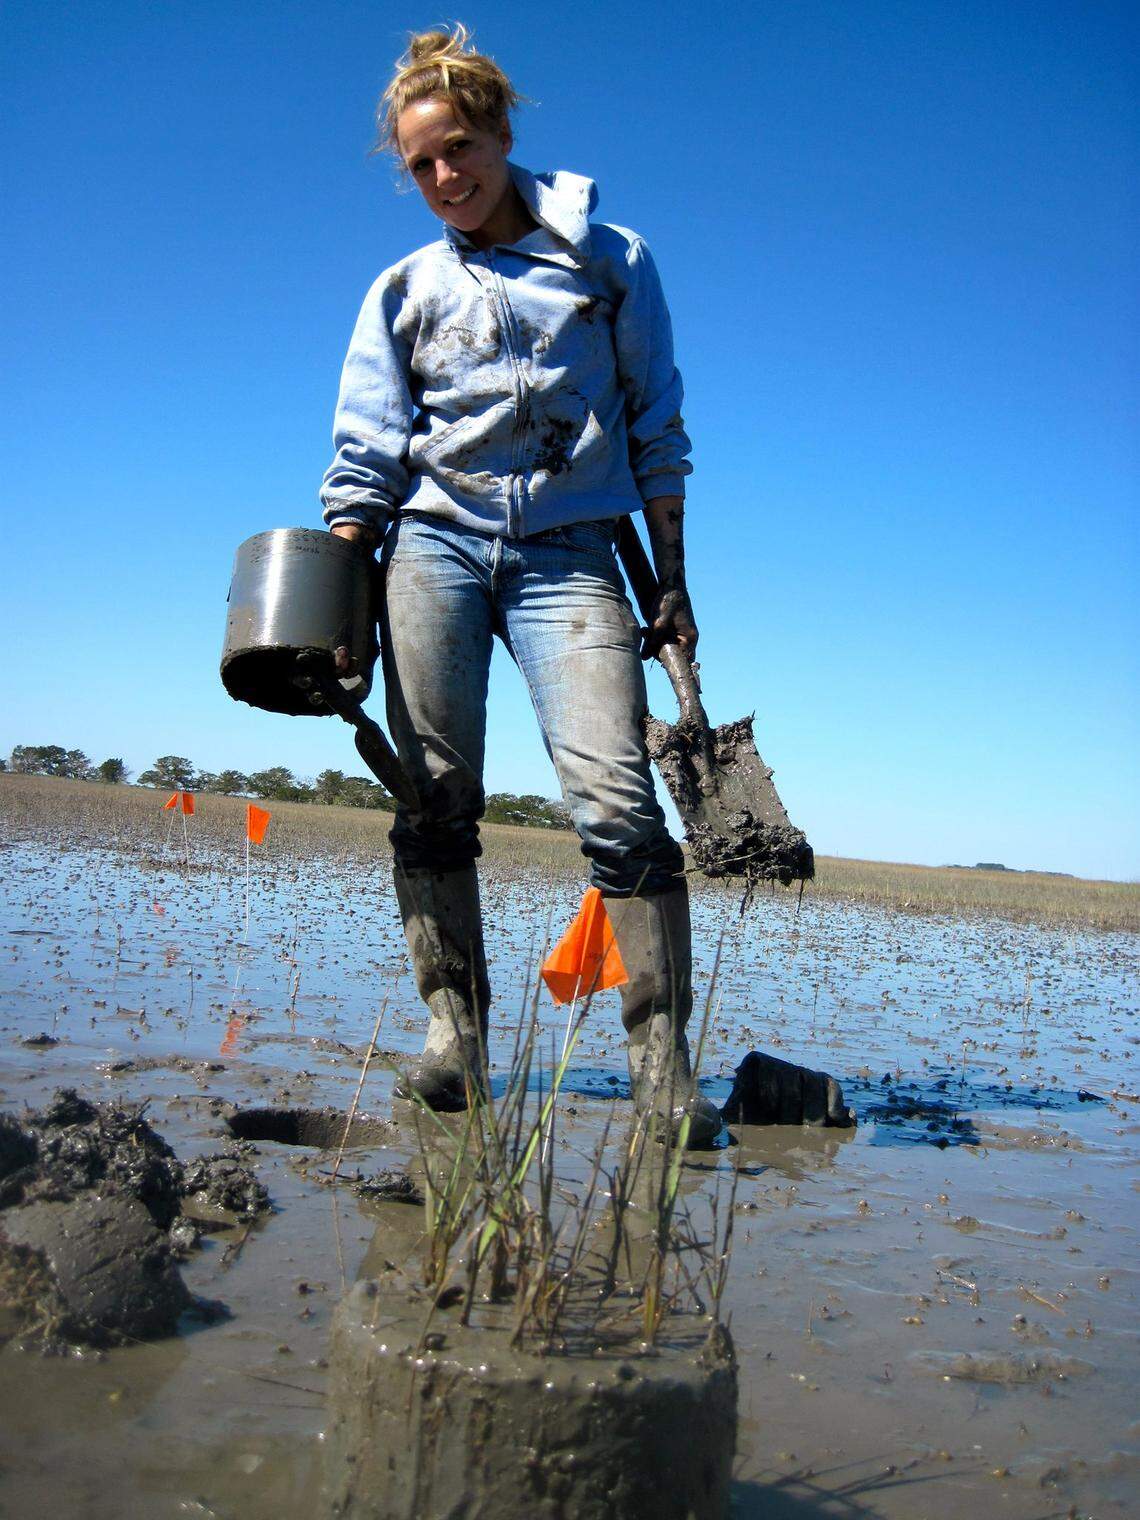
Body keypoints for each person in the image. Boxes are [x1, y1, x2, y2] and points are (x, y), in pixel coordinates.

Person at [320, 25, 720, 1146]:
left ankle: (661, 1058)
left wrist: (675, 580)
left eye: (460, 149)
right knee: (433, 795)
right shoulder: (402, 288)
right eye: (421, 165)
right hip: (432, 549)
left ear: (501, 131)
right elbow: (366, 453)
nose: (446, 178)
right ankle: (457, 1040)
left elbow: (658, 424)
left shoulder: (608, 260)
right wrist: (350, 588)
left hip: (570, 552)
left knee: (618, 801)